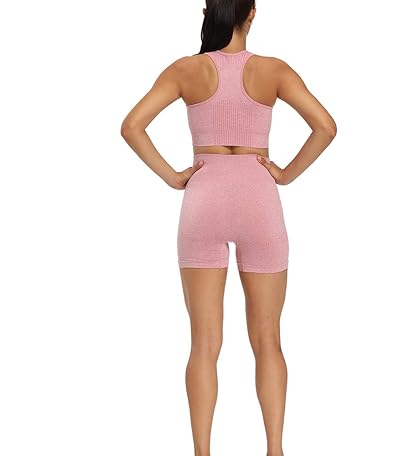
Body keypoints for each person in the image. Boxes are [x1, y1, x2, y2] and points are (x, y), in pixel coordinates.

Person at [120, 1, 337, 454]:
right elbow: (325, 126)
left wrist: (173, 177)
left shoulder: (186, 70)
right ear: (251, 14)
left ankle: (202, 452)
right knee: (268, 339)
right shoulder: (274, 70)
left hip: (203, 200)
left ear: (207, 11)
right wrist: (285, 174)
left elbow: (132, 126)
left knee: (203, 342)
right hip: (260, 200)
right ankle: (275, 449)